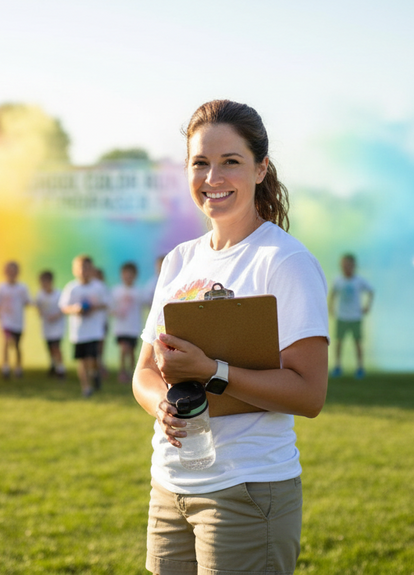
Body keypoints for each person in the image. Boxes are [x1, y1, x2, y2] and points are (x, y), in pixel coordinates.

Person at [133, 100, 329, 575]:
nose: (213, 177)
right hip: (169, 488)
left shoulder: (284, 261)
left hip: (247, 490)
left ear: (261, 169)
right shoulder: (179, 260)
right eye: (200, 162)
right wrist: (162, 406)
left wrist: (211, 372)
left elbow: (309, 393)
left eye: (231, 162)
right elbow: (144, 372)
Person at [60, 255, 109, 397]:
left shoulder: (99, 287)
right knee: (82, 360)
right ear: (74, 270)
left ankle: (94, 372)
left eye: (87, 268)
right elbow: (63, 307)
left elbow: (107, 303)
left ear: (92, 269)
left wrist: (94, 307)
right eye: (81, 268)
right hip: (79, 331)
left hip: (94, 330)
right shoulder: (72, 288)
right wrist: (75, 309)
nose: (84, 271)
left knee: (92, 358)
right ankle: (86, 387)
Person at [328, 253, 374, 379]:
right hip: (342, 316)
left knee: (357, 343)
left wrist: (367, 306)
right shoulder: (337, 280)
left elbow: (371, 291)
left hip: (355, 317)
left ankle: (360, 368)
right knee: (339, 342)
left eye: (348, 265)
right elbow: (333, 294)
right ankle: (337, 366)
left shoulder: (359, 280)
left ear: (354, 266)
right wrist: (330, 307)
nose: (345, 267)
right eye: (343, 265)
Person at [0, 261, 32, 380]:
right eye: (9, 270)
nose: (11, 273)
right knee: (7, 341)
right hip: (6, 320)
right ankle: (5, 367)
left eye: (14, 270)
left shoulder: (22, 287)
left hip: (18, 321)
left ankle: (18, 367)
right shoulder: (1, 287)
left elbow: (28, 301)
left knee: (17, 345)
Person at [112, 261, 143, 383]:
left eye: (131, 275)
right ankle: (122, 371)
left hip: (133, 326)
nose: (128, 277)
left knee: (131, 350)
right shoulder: (116, 291)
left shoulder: (139, 291)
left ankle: (133, 372)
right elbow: (110, 307)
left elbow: (147, 303)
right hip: (121, 327)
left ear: (135, 276)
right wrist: (116, 312)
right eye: (125, 274)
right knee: (123, 348)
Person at [36, 270, 66, 379]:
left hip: (57, 326)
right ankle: (53, 365)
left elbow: (63, 309)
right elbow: (38, 307)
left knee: (56, 347)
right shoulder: (40, 295)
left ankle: (61, 369)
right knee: (49, 347)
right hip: (47, 326)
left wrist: (54, 317)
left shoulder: (58, 294)